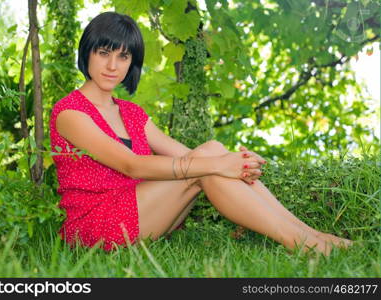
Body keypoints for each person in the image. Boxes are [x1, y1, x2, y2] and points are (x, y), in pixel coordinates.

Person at [49, 11, 352, 256]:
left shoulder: (131, 113)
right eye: (104, 53)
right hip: (97, 224)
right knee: (210, 162)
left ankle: (313, 236)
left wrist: (234, 160)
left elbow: (189, 155)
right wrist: (219, 164)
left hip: (141, 210)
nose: (113, 66)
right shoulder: (71, 112)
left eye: (124, 57)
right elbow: (132, 165)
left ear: (133, 63)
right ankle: (305, 245)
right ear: (87, 53)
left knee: (213, 149)